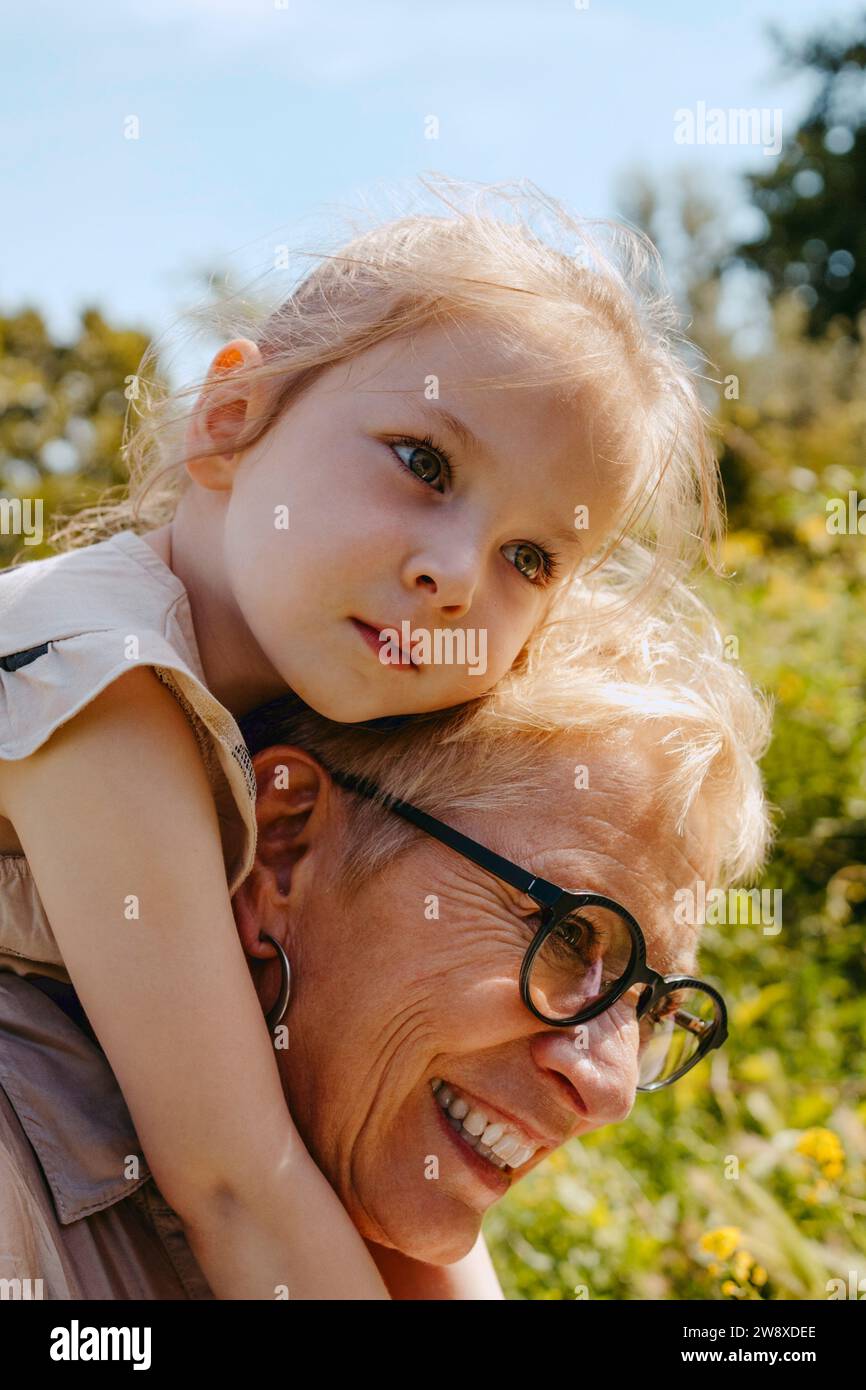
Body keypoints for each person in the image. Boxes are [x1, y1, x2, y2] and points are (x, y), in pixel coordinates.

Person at [0, 177, 724, 1300]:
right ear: (231, 415)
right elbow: (234, 1177)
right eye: (424, 463)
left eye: (528, 559)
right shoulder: (107, 681)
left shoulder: (300, 695)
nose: (452, 578)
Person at [0, 565, 771, 1298]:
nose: (608, 1090)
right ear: (283, 845)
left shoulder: (354, 1166)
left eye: (653, 1007)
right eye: (569, 935)